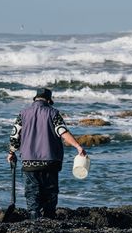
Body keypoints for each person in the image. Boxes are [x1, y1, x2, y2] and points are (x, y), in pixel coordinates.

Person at [7, 88, 86, 219]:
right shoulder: (53, 113)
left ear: (35, 99)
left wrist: (11, 152)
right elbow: (62, 131)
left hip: (29, 161)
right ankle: (49, 221)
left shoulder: (23, 113)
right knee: (50, 195)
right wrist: (77, 146)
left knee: (32, 195)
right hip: (50, 161)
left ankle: (34, 222)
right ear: (49, 100)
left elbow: (15, 135)